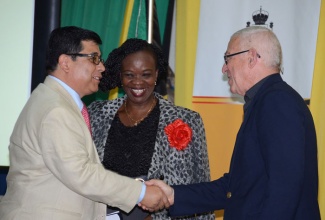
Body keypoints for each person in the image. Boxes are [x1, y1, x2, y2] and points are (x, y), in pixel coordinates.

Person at [144, 26, 321, 219]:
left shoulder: (276, 102)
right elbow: (236, 188)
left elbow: (285, 188)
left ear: (252, 57)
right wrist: (174, 195)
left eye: (228, 58)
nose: (224, 68)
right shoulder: (267, 101)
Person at [0, 26, 169, 220]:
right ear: (65, 63)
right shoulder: (57, 110)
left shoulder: (56, 101)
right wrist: (141, 193)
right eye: (93, 58)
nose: (102, 67)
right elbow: (82, 174)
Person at [88, 38, 214, 220]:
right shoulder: (97, 115)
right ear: (120, 75)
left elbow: (201, 188)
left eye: (146, 74)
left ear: (156, 74)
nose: (137, 82)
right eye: (129, 74)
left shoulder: (186, 120)